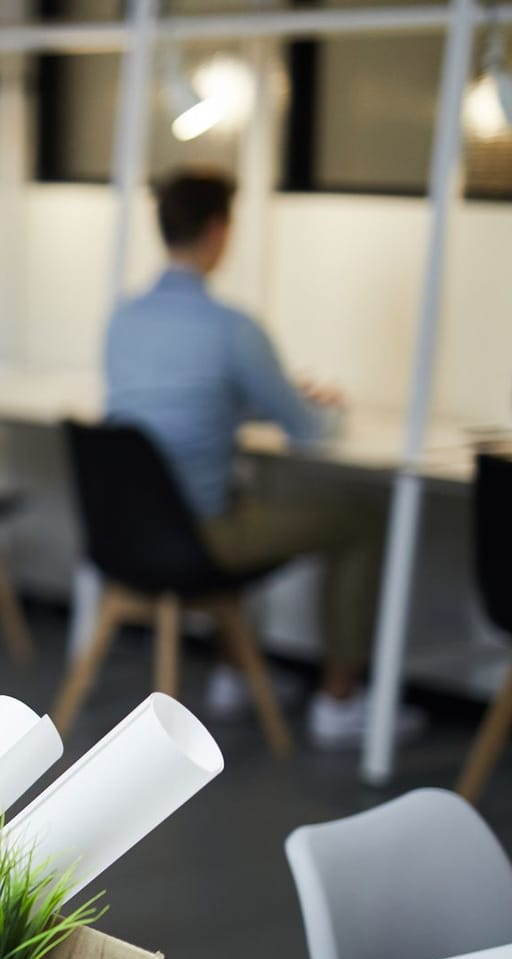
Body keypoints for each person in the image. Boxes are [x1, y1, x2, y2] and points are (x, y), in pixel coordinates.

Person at [103, 169, 414, 749]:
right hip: (202, 535)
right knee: (363, 520)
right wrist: (324, 406)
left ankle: (232, 674)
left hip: (130, 534)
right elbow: (309, 432)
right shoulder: (232, 329)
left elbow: (173, 409)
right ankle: (340, 702)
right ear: (219, 230)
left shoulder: (123, 318)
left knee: (247, 497)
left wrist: (248, 407)